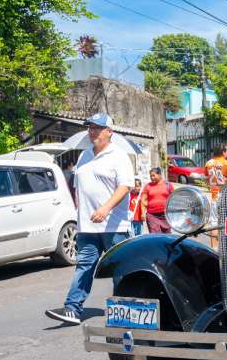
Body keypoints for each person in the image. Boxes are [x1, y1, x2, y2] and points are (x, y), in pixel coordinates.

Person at [45, 113, 134, 325]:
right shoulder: (84, 155)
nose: (91, 131)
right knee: (84, 266)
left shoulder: (119, 156)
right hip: (87, 226)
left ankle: (126, 311)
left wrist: (105, 208)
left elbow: (125, 186)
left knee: (120, 269)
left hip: (114, 226)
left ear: (109, 132)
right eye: (90, 127)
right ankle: (72, 309)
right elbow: (78, 186)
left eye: (97, 128)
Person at [205, 144, 227, 248]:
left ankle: (214, 248)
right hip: (226, 197)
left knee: (214, 223)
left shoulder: (208, 163)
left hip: (214, 196)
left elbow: (206, 178)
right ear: (223, 152)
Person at [143, 168, 174, 233]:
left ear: (160, 175)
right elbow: (144, 200)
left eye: (153, 175)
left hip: (165, 215)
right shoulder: (148, 186)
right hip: (152, 215)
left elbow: (173, 198)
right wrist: (143, 212)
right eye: (150, 176)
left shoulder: (168, 185)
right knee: (155, 235)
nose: (152, 177)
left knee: (167, 235)